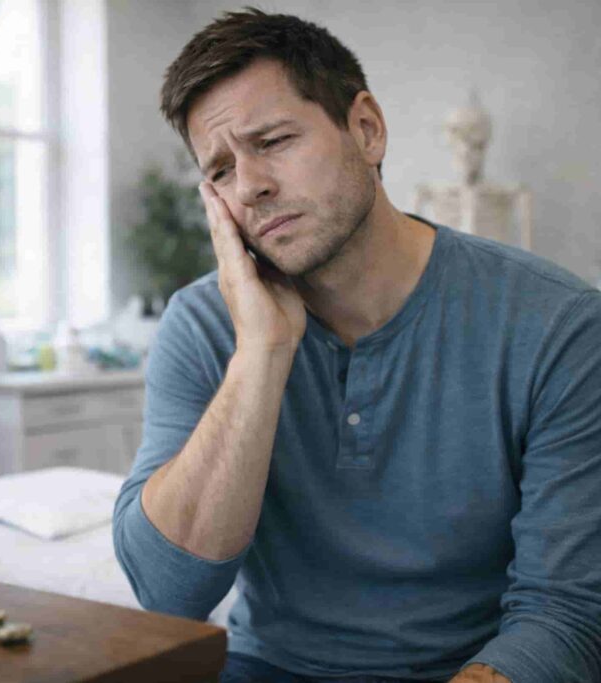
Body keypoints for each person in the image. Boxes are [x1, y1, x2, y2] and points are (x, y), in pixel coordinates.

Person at [112, 8, 601, 683]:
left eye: (275, 140)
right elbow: (169, 593)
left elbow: (568, 615)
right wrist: (260, 352)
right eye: (220, 170)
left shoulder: (558, 324)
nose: (250, 184)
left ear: (366, 129)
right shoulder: (203, 323)